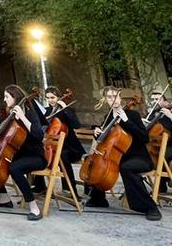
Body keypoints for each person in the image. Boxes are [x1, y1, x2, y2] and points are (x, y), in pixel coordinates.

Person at [84, 87, 162, 220]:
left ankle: (150, 207)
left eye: (115, 95)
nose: (113, 99)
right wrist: (98, 134)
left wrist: (126, 120)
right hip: (117, 156)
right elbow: (104, 141)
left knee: (126, 167)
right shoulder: (108, 117)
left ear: (120, 97)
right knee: (93, 161)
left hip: (139, 157)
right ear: (105, 100)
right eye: (109, 97)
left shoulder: (132, 115)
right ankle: (98, 198)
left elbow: (144, 137)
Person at [0, 84, 48, 220]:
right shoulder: (11, 113)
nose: (4, 99)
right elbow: (8, 135)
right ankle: (4, 198)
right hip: (20, 154)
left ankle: (34, 207)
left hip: (36, 156)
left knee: (15, 168)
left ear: (15, 97)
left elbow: (38, 134)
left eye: (7, 96)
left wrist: (23, 117)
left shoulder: (28, 111)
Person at [42, 86, 85, 193]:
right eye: (47, 98)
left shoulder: (68, 110)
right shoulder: (47, 112)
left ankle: (70, 189)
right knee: (35, 153)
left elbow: (76, 125)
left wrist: (65, 108)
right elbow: (42, 127)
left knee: (62, 156)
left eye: (52, 97)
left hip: (71, 148)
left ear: (59, 97)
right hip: (53, 147)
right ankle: (39, 186)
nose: (50, 100)